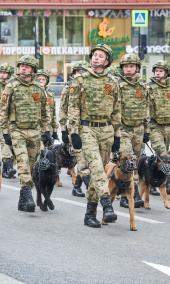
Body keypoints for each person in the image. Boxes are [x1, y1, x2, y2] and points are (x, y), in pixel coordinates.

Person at [67, 44, 121, 228]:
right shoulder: (80, 79)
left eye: (101, 56)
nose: (96, 58)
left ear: (107, 61)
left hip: (106, 130)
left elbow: (116, 110)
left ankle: (90, 214)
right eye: (95, 55)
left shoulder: (113, 82)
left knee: (100, 173)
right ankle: (106, 204)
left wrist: (117, 135)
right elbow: (73, 107)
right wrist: (74, 132)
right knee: (97, 169)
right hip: (86, 129)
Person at [0, 55, 51, 213]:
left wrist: (46, 131)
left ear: (33, 70)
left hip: (34, 131)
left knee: (31, 165)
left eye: (27, 66)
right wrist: (5, 131)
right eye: (21, 66)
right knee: (22, 163)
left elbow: (44, 111)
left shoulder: (39, 88)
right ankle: (28, 196)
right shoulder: (11, 86)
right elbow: (3, 111)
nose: (23, 68)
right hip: (17, 130)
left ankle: (23, 198)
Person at [116, 53, 147, 208]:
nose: (128, 69)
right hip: (123, 128)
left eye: (131, 66)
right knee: (128, 160)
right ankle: (129, 194)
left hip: (139, 128)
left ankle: (126, 192)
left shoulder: (143, 86)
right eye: (126, 67)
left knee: (135, 161)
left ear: (137, 68)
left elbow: (147, 107)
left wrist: (146, 129)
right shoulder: (117, 85)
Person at [59, 61, 91, 197]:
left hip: (89, 127)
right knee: (81, 157)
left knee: (86, 158)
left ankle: (77, 185)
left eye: (82, 71)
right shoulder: (69, 88)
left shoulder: (90, 85)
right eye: (78, 71)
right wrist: (64, 130)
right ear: (73, 73)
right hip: (74, 127)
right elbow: (63, 109)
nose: (80, 74)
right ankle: (86, 185)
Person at [147, 60, 170, 194]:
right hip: (155, 126)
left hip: (169, 125)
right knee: (162, 154)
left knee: (163, 157)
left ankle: (157, 180)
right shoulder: (149, 88)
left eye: (161, 71)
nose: (157, 73)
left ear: (166, 73)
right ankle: (163, 183)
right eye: (156, 70)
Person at [0, 63, 16, 178]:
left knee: (12, 144)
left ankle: (6, 169)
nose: (2, 75)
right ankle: (9, 167)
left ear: (9, 74)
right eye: (0, 72)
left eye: (4, 73)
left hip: (13, 121)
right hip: (0, 120)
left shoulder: (14, 86)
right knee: (5, 143)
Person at [36, 69, 59, 141]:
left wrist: (55, 130)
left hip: (49, 130)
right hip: (37, 130)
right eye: (39, 79)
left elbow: (53, 113)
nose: (41, 81)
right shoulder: (34, 94)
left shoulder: (50, 95)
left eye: (43, 79)